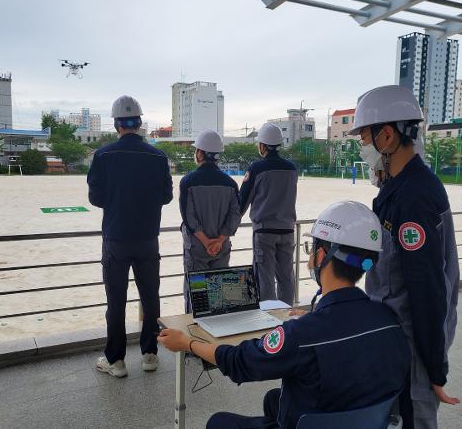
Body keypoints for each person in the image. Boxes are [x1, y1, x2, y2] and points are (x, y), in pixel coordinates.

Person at [158, 201, 411, 429]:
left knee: (218, 422)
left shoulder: (301, 334)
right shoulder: (389, 322)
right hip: (354, 419)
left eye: (312, 248)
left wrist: (187, 343)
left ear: (321, 256)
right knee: (273, 400)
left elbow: (240, 362)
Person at [350, 85, 460, 429]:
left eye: (364, 137)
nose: (362, 146)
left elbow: (428, 289)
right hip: (393, 338)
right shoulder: (393, 188)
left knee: (413, 420)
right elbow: (382, 263)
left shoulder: (414, 197)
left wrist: (435, 366)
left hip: (413, 346)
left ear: (387, 135)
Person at [87, 95, 173, 378]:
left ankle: (116, 360)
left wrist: (119, 200)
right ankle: (150, 354)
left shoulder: (102, 156)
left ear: (116, 125)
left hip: (116, 239)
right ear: (139, 123)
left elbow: (96, 198)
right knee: (150, 297)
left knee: (116, 301)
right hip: (148, 238)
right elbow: (166, 196)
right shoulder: (158, 157)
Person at [179, 129, 242, 312]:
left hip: (197, 248)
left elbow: (188, 217)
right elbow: (235, 216)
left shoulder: (188, 181)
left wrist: (206, 242)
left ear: (200, 153)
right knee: (219, 296)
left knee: (195, 295)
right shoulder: (230, 183)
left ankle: (191, 335)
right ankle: (215, 335)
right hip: (221, 248)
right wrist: (219, 240)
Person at [239, 123, 298, 305]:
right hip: (288, 231)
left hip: (265, 232)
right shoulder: (292, 168)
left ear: (262, 146)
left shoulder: (257, 168)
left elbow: (243, 200)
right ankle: (287, 317)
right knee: (286, 277)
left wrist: (229, 226)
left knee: (264, 278)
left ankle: (269, 321)